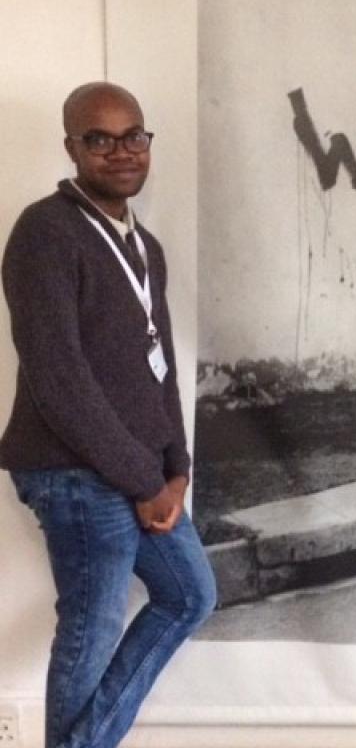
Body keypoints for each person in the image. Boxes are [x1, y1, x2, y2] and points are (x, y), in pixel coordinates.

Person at [0, 82, 216, 748]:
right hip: (71, 470)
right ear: (72, 147)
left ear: (147, 143)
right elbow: (60, 382)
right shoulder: (45, 232)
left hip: (136, 469)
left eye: (133, 136)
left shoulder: (144, 246)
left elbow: (163, 366)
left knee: (190, 596)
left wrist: (176, 467)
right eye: (99, 139)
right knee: (92, 630)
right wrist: (142, 480)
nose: (120, 151)